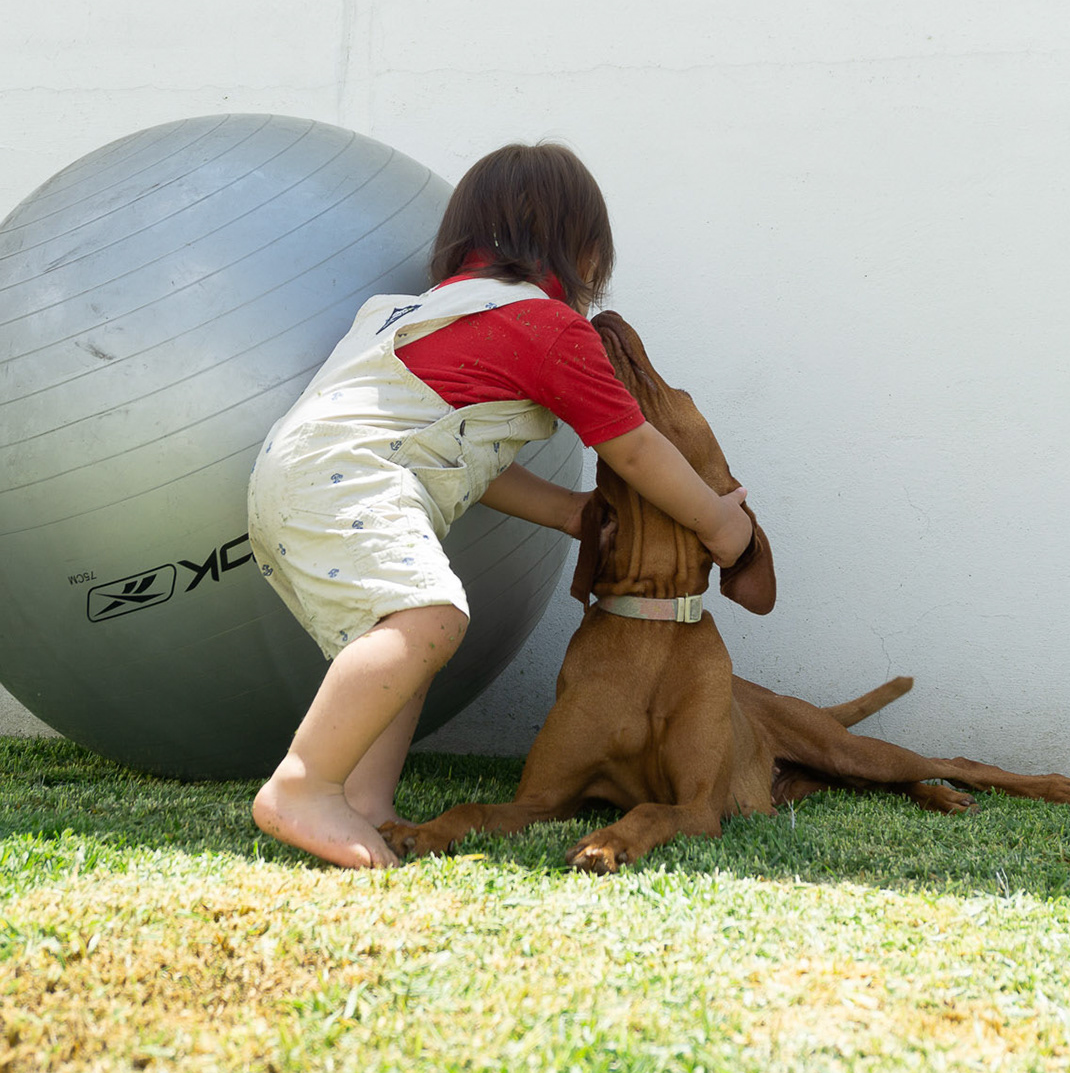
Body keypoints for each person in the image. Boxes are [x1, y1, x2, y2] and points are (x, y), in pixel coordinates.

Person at [246, 142, 751, 868]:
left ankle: (364, 804)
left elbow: (460, 456)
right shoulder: (547, 329)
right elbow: (634, 449)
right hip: (347, 479)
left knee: (402, 639)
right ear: (580, 252)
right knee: (432, 618)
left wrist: (569, 512)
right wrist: (718, 521)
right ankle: (303, 785)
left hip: (296, 478)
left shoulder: (420, 315)